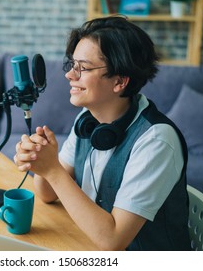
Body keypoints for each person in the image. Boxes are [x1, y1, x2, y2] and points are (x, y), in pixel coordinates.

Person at [13, 15, 191, 251]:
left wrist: (54, 171)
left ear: (119, 81)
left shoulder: (156, 141)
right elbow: (47, 194)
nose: (69, 75)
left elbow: (113, 240)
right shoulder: (88, 120)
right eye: (72, 65)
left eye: (83, 68)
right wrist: (43, 161)